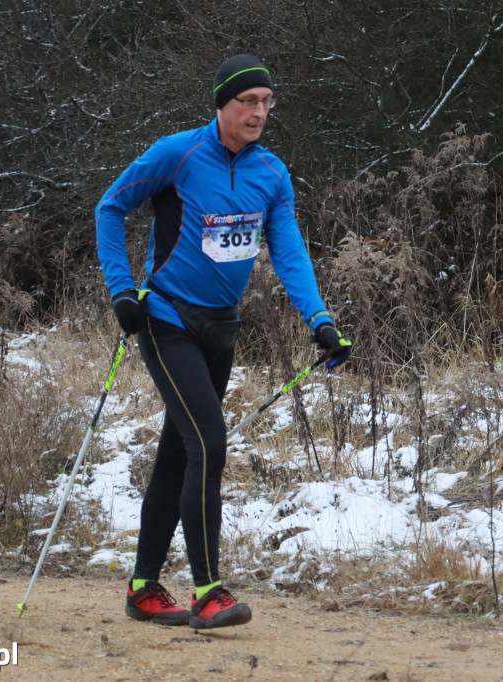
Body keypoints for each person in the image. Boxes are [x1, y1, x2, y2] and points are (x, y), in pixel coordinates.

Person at [95, 54, 352, 630]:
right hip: (165, 321)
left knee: (180, 452)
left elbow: (288, 252)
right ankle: (208, 590)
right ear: (222, 104)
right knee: (209, 442)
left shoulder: (272, 174)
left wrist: (320, 318)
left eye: (267, 102)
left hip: (222, 328)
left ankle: (142, 587)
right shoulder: (177, 154)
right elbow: (109, 208)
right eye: (248, 102)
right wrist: (121, 292)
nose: (259, 112)